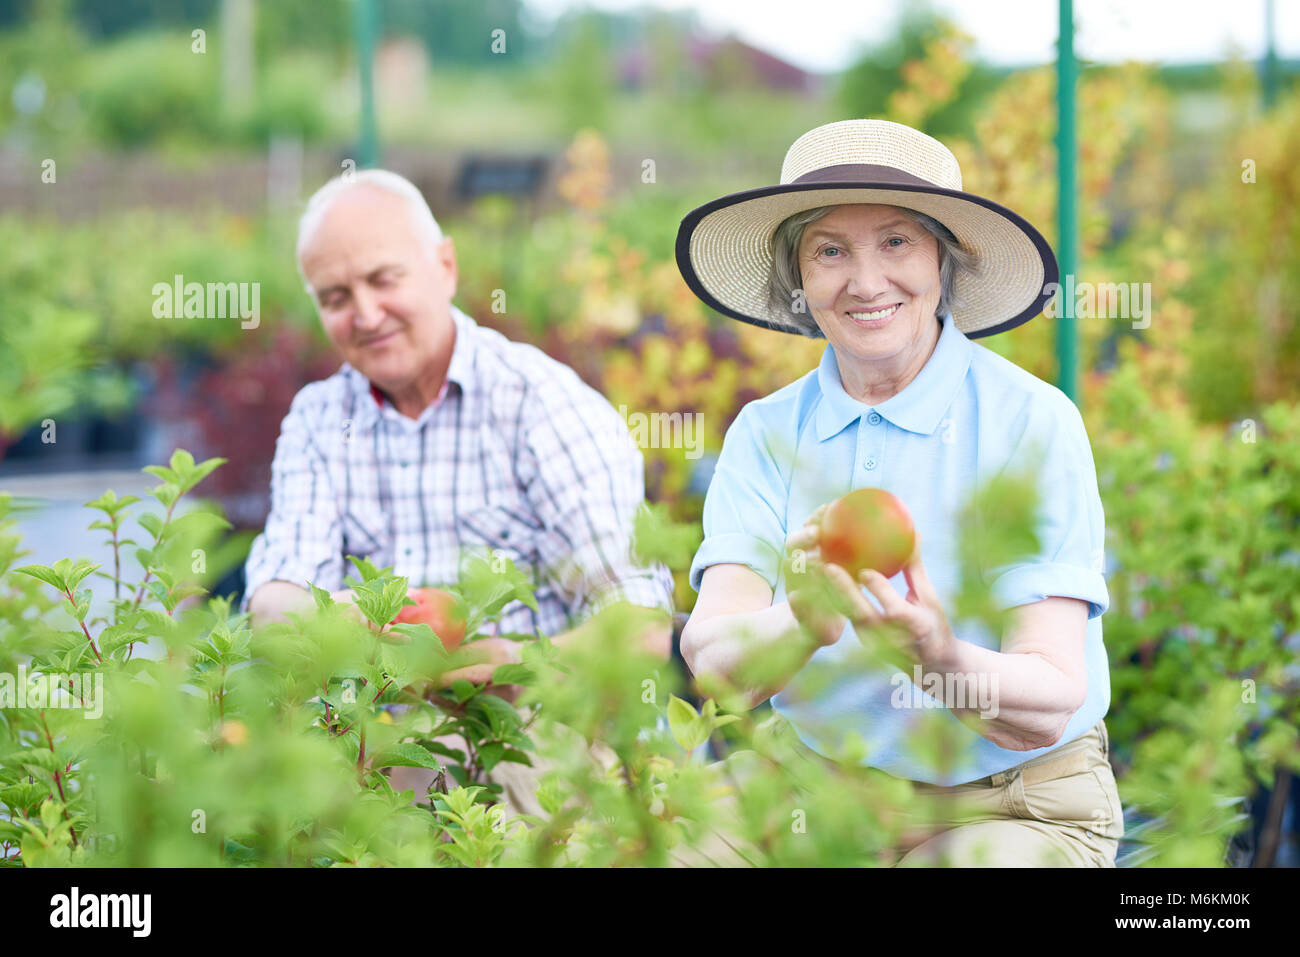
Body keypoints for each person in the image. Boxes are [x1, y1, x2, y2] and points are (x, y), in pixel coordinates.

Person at [675, 118, 1124, 866]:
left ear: (943, 261)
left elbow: (1049, 698)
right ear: (799, 279)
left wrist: (936, 655)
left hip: (1013, 798)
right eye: (829, 250)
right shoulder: (768, 431)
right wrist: (806, 616)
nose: (866, 281)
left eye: (896, 242)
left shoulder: (1028, 420)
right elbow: (716, 662)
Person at [241, 169, 675, 807]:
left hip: (543, 740)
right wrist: (345, 620)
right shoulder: (317, 419)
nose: (365, 314)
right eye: (335, 296)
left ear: (444, 266)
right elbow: (274, 601)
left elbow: (639, 628)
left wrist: (515, 662)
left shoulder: (541, 403)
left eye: (384, 280)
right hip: (382, 739)